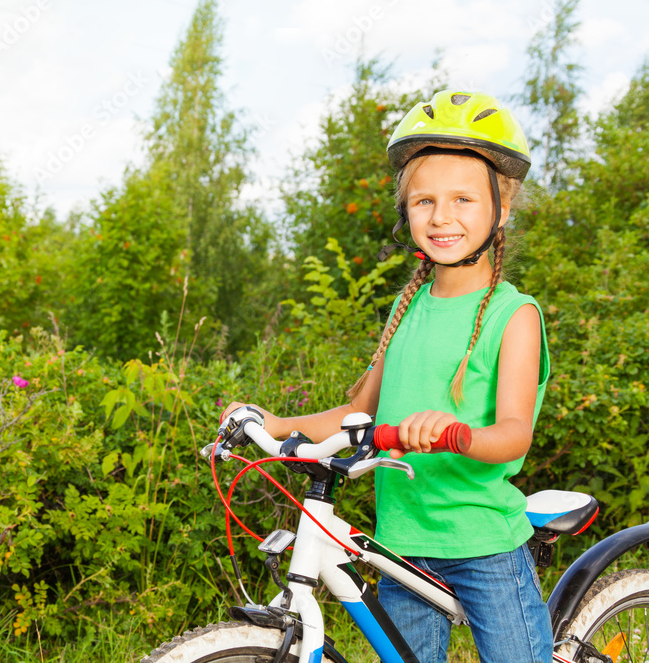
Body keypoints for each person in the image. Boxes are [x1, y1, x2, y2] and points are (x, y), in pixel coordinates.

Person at [221, 89, 552, 662]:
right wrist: (276, 424)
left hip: (483, 545)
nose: (442, 216)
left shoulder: (512, 314)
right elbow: (359, 416)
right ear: (406, 211)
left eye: (463, 200)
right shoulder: (407, 309)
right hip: (401, 543)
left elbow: (514, 434)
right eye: (424, 201)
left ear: (501, 207)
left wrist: (456, 432)